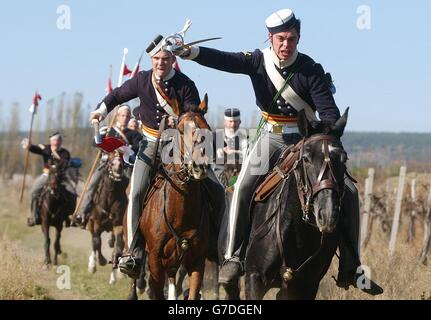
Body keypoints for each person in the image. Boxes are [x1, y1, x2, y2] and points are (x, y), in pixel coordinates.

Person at [178, 8, 382, 295]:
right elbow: (223, 60)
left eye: (292, 39)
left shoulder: (310, 69)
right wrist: (190, 52)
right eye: (281, 39)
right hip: (270, 137)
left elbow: (329, 112)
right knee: (242, 187)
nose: (286, 45)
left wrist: (319, 129)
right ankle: (233, 257)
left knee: (349, 189)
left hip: (303, 139)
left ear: (299, 38)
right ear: (270, 38)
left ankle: (351, 265)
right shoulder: (257, 61)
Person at [89, 34, 225, 278]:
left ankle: (220, 245)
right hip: (150, 143)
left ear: (173, 59)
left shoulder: (186, 84)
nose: (161, 63)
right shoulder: (141, 80)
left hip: (178, 145)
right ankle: (133, 252)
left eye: (165, 58)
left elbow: (193, 117)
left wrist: (179, 120)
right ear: (152, 59)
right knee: (137, 191)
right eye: (157, 59)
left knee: (215, 189)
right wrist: (100, 110)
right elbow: (117, 95)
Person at [74, 105, 142, 228]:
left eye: (127, 116)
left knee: (134, 189)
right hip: (106, 163)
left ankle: (135, 218)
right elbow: (94, 144)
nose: (125, 118)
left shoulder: (133, 134)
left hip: (125, 166)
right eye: (123, 115)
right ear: (117, 116)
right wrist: (99, 135)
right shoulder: (109, 130)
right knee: (92, 185)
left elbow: (138, 148)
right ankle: (83, 213)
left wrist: (127, 147)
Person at [21, 132, 72, 226]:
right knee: (33, 192)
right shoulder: (45, 149)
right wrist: (29, 145)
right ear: (51, 141)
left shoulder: (65, 153)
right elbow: (35, 149)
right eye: (54, 140)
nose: (56, 142)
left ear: (61, 141)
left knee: (72, 192)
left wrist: (58, 162)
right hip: (46, 175)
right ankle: (34, 216)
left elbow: (65, 163)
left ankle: (69, 216)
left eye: (58, 140)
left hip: (61, 177)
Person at [213, 108, 248, 187]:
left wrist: (234, 152)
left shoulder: (246, 138)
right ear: (225, 122)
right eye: (230, 121)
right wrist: (221, 152)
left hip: (240, 175)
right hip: (218, 175)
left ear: (240, 122)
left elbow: (249, 156)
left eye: (235, 121)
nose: (233, 124)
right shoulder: (215, 137)